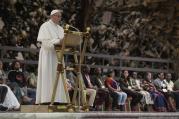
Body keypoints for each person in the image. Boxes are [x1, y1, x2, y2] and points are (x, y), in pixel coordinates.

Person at [36, 9, 68, 104]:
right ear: (52, 16)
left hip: (58, 55)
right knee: (48, 75)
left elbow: (63, 41)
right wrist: (57, 41)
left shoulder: (61, 29)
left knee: (58, 76)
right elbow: (45, 42)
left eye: (60, 16)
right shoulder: (45, 26)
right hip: (48, 55)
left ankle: (58, 99)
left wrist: (61, 42)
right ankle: (46, 99)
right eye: (57, 16)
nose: (59, 18)